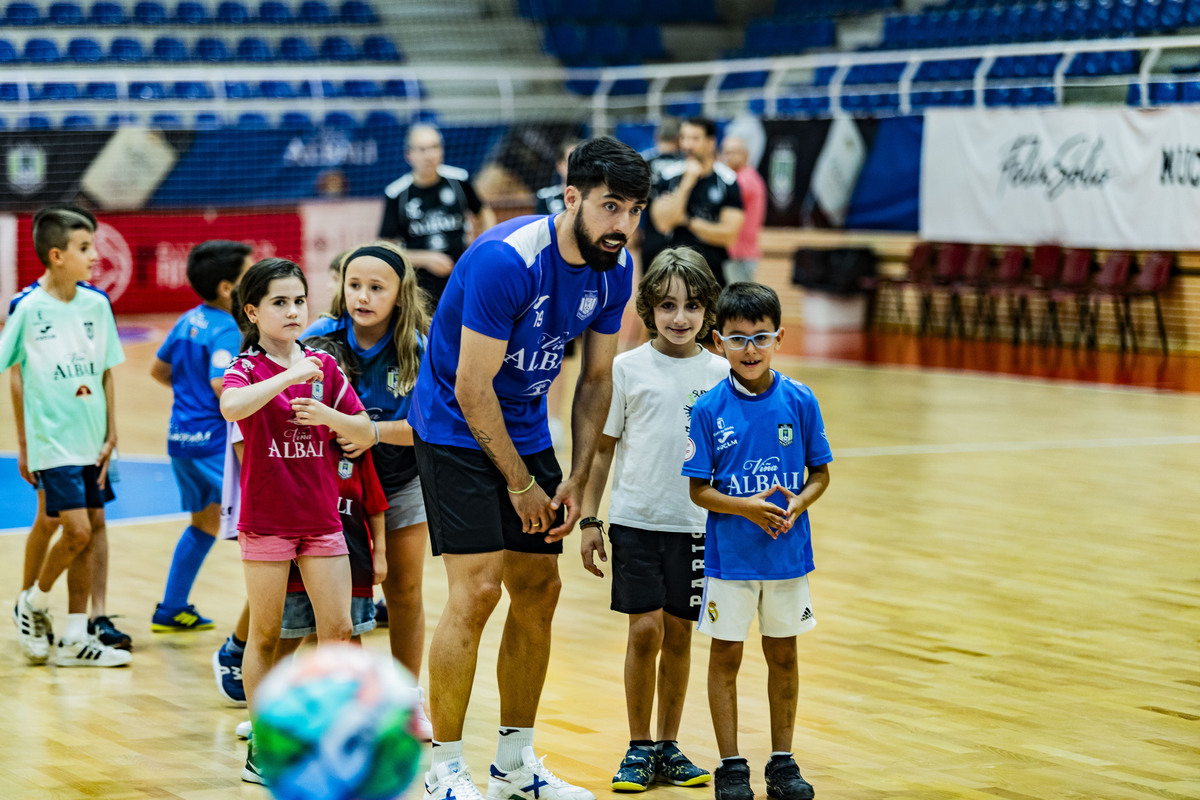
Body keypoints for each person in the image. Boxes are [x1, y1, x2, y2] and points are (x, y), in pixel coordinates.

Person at [409, 135, 651, 800]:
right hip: (455, 425)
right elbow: (470, 388)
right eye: (610, 207)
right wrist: (521, 484)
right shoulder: (505, 261)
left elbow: (597, 380)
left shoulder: (616, 267)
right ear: (571, 198)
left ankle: (514, 766)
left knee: (540, 589)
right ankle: (444, 769)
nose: (622, 225)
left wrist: (576, 477)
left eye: (634, 210)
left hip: (522, 422)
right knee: (478, 590)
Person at [218, 258, 375, 783]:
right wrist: (288, 374)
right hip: (266, 522)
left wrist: (329, 417)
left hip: (321, 521)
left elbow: (364, 431)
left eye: (298, 300)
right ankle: (264, 745)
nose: (292, 311)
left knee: (338, 629)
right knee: (265, 634)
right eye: (279, 302)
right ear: (253, 311)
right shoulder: (247, 367)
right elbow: (232, 407)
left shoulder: (324, 368)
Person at [578, 247, 726, 792]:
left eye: (690, 306)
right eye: (667, 305)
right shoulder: (626, 367)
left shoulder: (722, 373)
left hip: (698, 527)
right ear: (649, 309)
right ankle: (638, 747)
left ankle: (668, 745)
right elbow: (602, 451)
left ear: (708, 309)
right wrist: (590, 519)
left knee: (682, 636)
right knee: (645, 632)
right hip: (637, 521)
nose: (679, 317)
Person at [681, 283, 832, 800]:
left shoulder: (800, 399)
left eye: (761, 337)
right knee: (725, 660)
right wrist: (747, 507)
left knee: (783, 657)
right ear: (718, 341)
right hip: (730, 561)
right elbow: (700, 490)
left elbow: (820, 475)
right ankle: (730, 765)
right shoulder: (707, 409)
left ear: (779, 339)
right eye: (739, 339)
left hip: (787, 558)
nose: (750, 349)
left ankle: (783, 763)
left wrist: (796, 503)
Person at [302, 241, 434, 738]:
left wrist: (369, 433)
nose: (362, 296)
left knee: (403, 590)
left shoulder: (420, 345)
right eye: (353, 285)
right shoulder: (318, 340)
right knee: (332, 603)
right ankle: (331, 699)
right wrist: (341, 433)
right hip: (334, 489)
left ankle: (406, 699)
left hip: (403, 481)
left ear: (400, 296)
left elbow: (430, 427)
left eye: (377, 288)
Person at [1, 206, 131, 667]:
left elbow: (106, 371)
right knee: (70, 529)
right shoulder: (29, 308)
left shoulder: (97, 304)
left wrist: (112, 428)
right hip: (52, 440)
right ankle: (31, 603)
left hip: (91, 439)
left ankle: (77, 636)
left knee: (90, 531)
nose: (95, 256)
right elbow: (11, 370)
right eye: (84, 248)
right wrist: (24, 442)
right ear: (56, 255)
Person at [149, 240, 253, 632]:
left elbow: (159, 371)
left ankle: (171, 608)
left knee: (204, 523)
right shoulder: (227, 328)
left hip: (180, 440)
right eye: (249, 274)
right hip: (212, 444)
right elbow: (222, 386)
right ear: (229, 288)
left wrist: (188, 401)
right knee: (263, 530)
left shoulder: (189, 319)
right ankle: (277, 614)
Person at [275, 335, 388, 657]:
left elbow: (376, 505)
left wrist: (379, 554)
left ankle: (346, 704)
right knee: (287, 638)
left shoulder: (356, 450)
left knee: (345, 638)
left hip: (352, 563)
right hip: (297, 565)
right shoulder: (292, 448)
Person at [380, 123, 497, 307]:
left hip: (461, 277)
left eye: (435, 147)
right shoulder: (397, 193)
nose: (430, 155)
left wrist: (483, 246)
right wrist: (426, 259)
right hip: (420, 286)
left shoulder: (459, 180)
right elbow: (386, 247)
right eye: (423, 149)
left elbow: (484, 213)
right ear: (409, 155)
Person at [650, 118, 745, 287]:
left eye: (694, 139)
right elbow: (663, 223)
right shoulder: (669, 176)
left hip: (712, 273)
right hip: (674, 271)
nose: (687, 145)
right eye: (684, 138)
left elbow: (728, 235)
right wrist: (687, 183)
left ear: (710, 142)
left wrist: (688, 221)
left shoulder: (727, 180)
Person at [719, 136, 766, 285]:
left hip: (740, 253)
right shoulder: (741, 178)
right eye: (726, 153)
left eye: (734, 153)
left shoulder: (744, 180)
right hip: (737, 252)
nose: (728, 157)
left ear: (745, 155)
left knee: (739, 302)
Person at [639, 118, 683, 272]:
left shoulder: (643, 163)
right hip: (682, 239)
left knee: (651, 289)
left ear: (656, 137)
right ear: (679, 139)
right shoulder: (687, 164)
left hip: (651, 238)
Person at [534, 139, 579, 216]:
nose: (576, 167)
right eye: (571, 162)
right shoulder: (546, 197)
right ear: (560, 165)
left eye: (580, 162)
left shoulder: (591, 198)